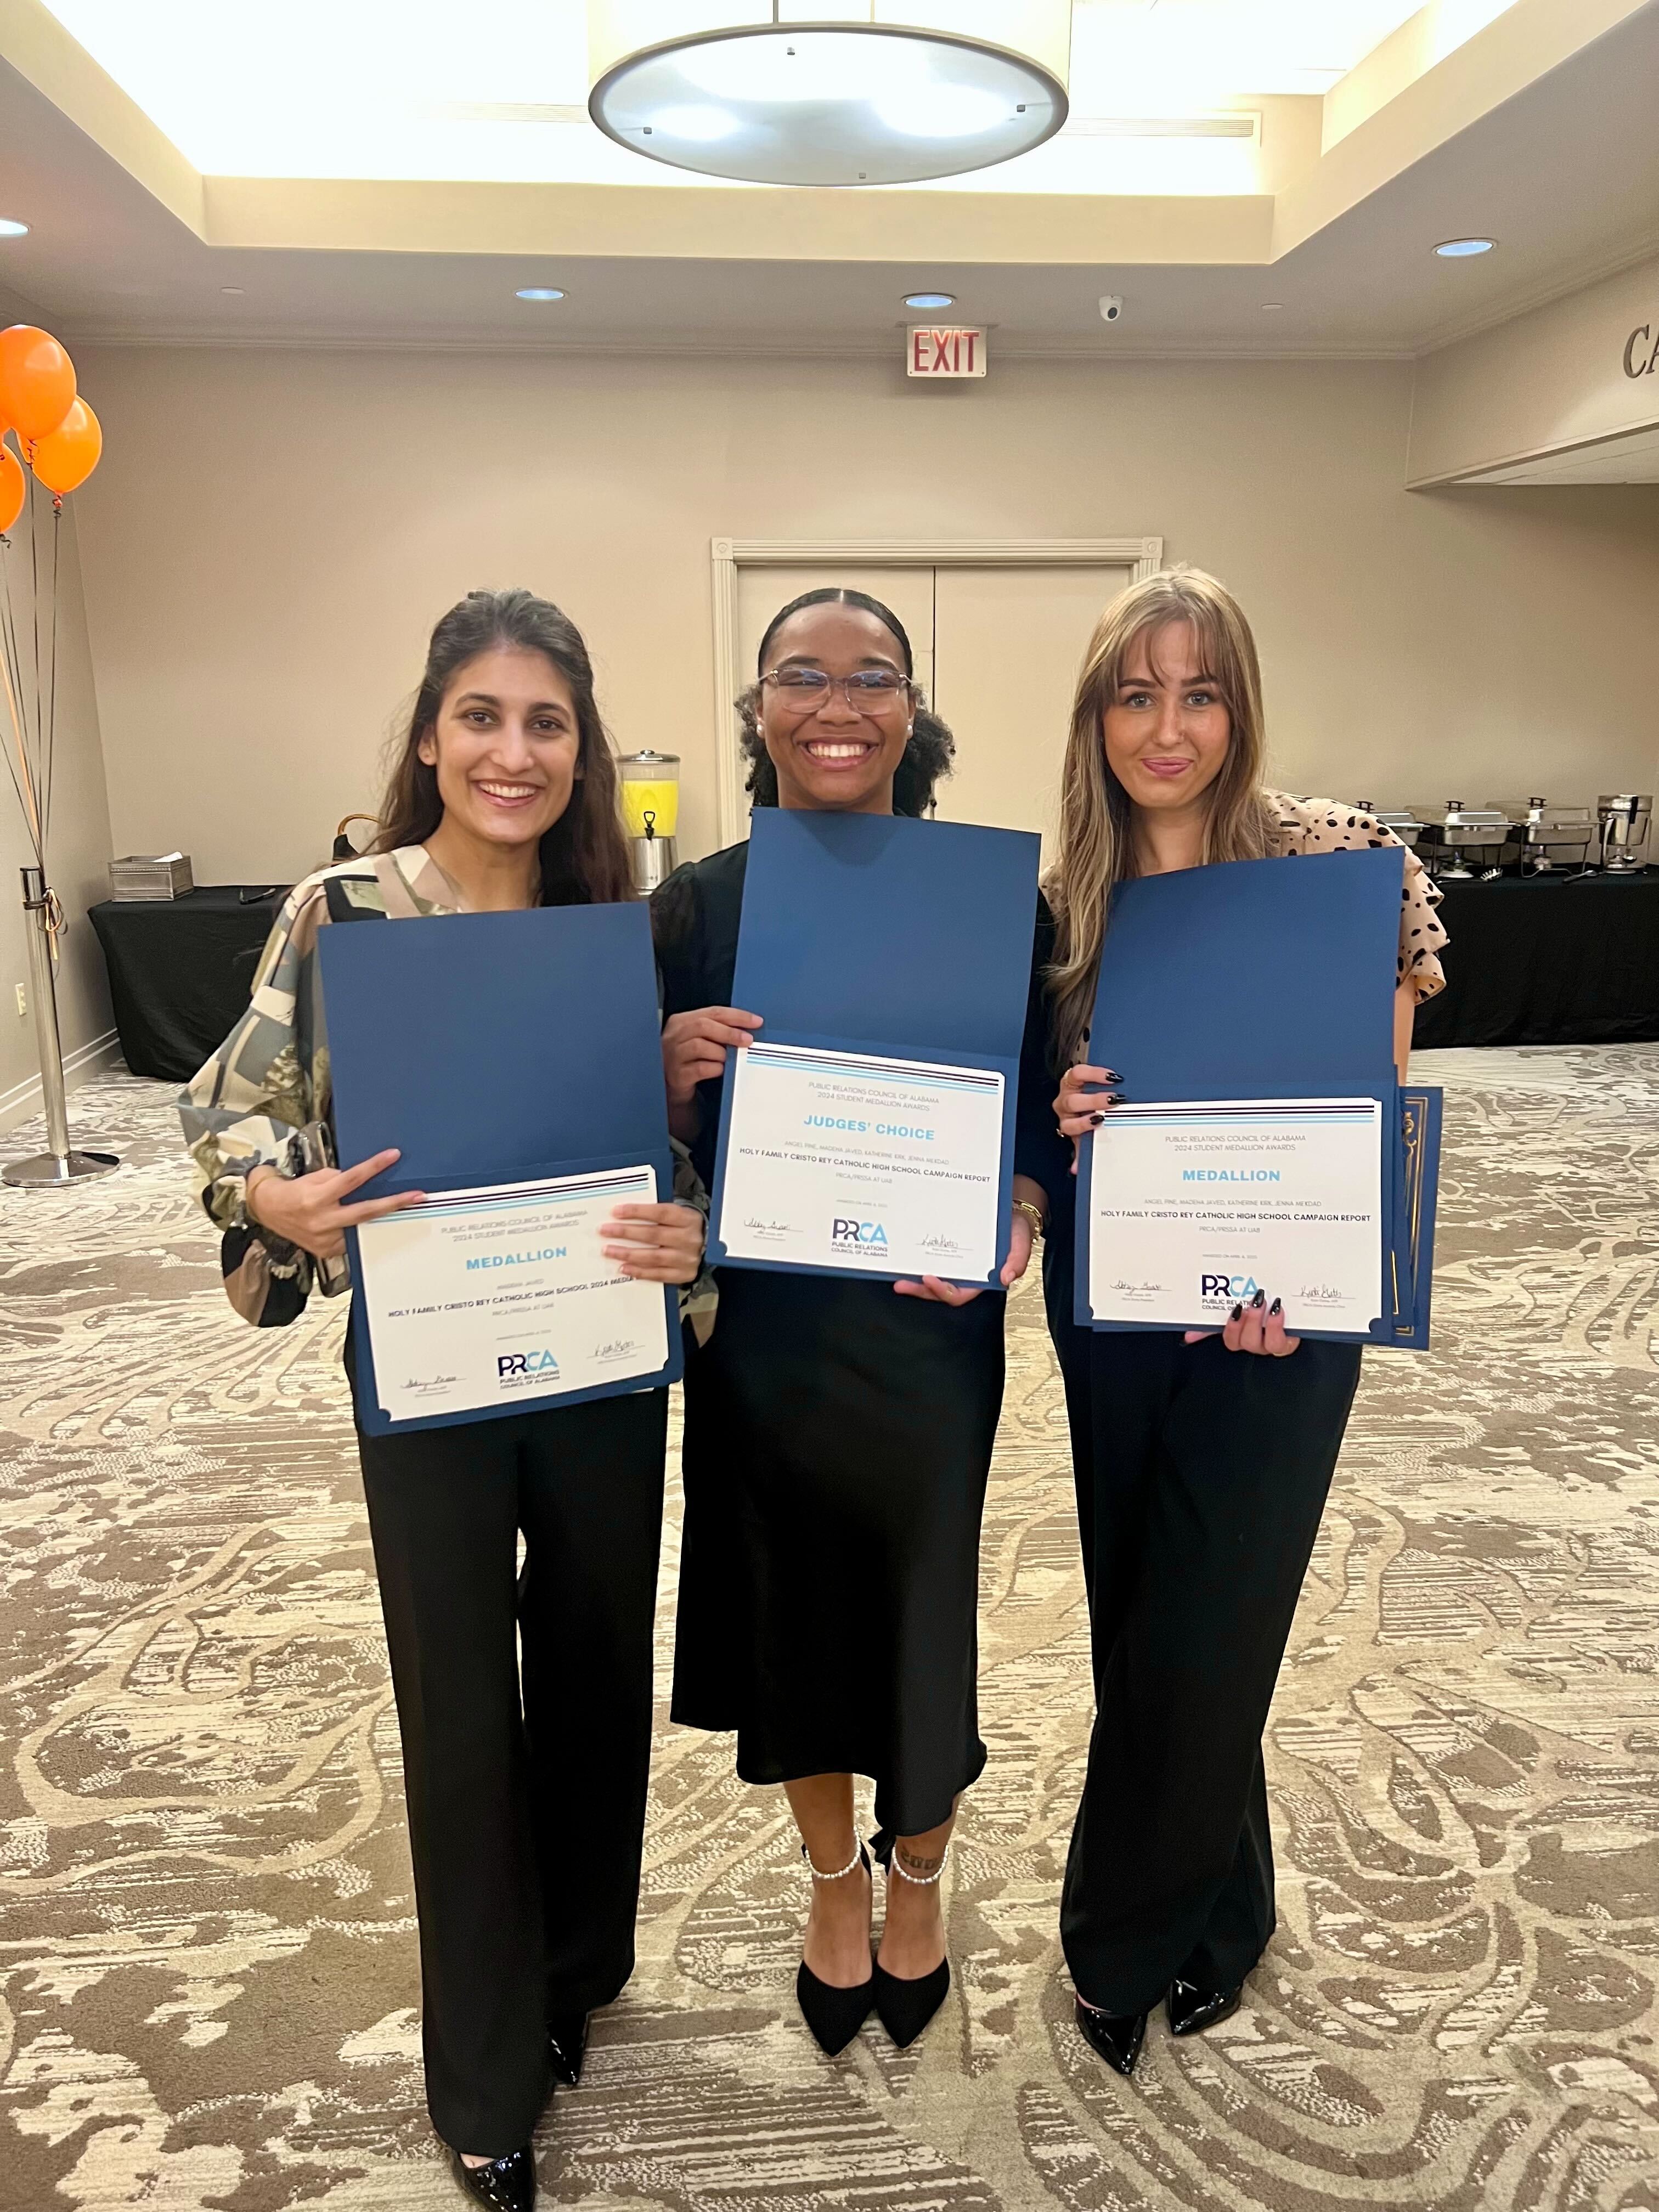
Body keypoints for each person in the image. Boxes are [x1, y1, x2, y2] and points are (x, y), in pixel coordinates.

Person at [181, 590, 705, 2211]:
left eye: (546, 722)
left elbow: (650, 1159)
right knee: (463, 1701)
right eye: (481, 716)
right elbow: (231, 1112)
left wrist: (685, 1226)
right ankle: (483, 2075)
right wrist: (274, 1198)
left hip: (602, 1353)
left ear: (583, 750)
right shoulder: (343, 913)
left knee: (599, 1663)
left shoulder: (615, 918)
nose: (512, 752)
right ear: (428, 735)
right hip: (429, 1366)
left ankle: (577, 1969)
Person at [1019, 565, 1448, 2077]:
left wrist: (1317, 1285)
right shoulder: (1061, 902)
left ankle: (1119, 1941)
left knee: (1223, 1608)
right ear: (1097, 715)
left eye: (1199, 693)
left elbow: (1371, 1101)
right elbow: (1031, 1119)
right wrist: (1065, 1109)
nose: (1168, 727)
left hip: (1287, 1303)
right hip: (1119, 1296)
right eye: (1136, 695)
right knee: (1148, 1603)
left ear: (1240, 706)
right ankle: (1230, 1910)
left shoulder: (1341, 863)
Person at [651, 587, 1053, 2056]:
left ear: (912, 708)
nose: (837, 705)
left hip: (927, 1324)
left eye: (872, 677)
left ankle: (920, 1875)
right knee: (792, 1606)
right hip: (763, 1331)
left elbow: (1045, 1107)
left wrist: (1020, 1204)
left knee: (921, 1603)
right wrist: (664, 1063)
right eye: (802, 676)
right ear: (759, 708)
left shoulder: (997, 898)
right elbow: (621, 1130)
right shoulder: (698, 906)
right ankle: (833, 1880)